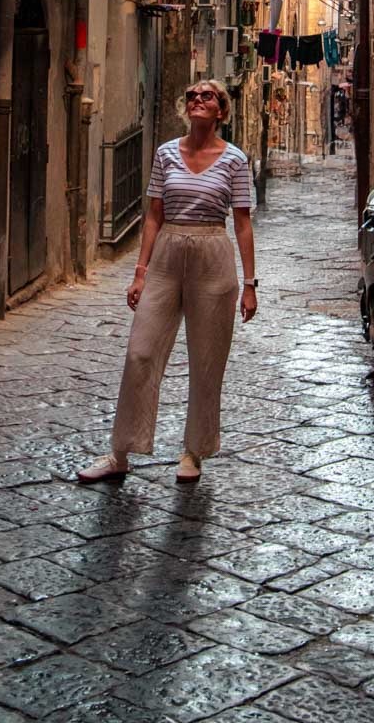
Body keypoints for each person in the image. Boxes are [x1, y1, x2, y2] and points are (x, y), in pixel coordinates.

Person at [77, 80, 257, 485]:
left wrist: (250, 283)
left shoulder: (234, 160)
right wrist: (140, 272)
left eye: (206, 95)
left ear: (221, 111)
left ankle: (193, 452)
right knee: (141, 351)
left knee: (207, 360)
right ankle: (120, 452)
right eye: (191, 94)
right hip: (167, 252)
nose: (197, 99)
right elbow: (154, 215)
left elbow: (242, 223)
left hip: (213, 251)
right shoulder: (165, 153)